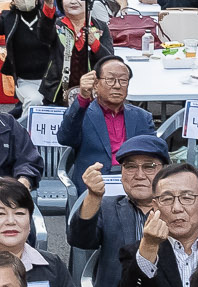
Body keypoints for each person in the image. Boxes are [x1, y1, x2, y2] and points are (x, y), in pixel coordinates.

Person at [67, 132, 168, 287]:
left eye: (149, 166)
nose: (139, 174)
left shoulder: (179, 211)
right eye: (130, 167)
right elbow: (80, 239)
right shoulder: (108, 207)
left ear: (165, 172)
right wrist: (93, 197)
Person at [54, 56, 157, 189]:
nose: (117, 85)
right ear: (96, 84)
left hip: (134, 184)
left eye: (123, 80)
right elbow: (64, 138)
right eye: (110, 80)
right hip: (95, 184)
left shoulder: (142, 117)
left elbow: (155, 153)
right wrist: (83, 98)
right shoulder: (82, 114)